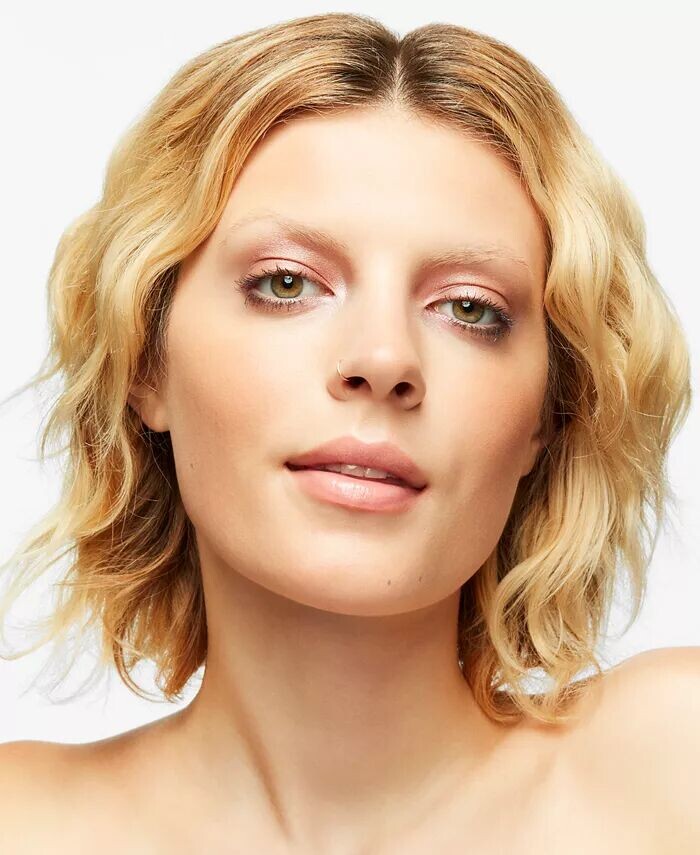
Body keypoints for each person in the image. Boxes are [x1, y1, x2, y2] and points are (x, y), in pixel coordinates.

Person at [0, 12, 697, 854]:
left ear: (548, 417)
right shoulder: (21, 821)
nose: (383, 358)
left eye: (468, 307)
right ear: (146, 363)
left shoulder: (672, 767)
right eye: (287, 283)